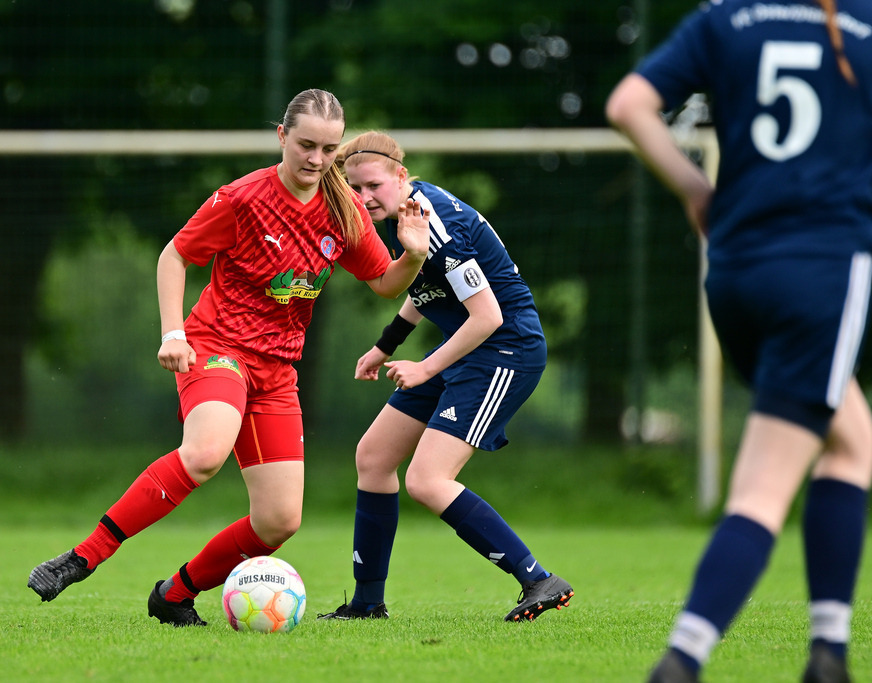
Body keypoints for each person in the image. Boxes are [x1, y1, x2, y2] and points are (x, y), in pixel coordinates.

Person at [27, 89, 430, 626]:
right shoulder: (241, 198)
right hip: (219, 347)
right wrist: (174, 332)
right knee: (205, 453)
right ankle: (83, 557)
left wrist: (415, 254)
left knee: (279, 521)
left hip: (277, 369)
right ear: (282, 137)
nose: (316, 159)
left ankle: (174, 594)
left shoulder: (344, 209)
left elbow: (383, 281)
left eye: (329, 149)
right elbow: (175, 255)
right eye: (306, 144)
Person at [606, 1, 872, 681]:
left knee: (851, 438)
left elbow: (628, 105)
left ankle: (830, 651)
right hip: (821, 269)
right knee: (762, 488)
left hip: (735, 271)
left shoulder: (726, 19)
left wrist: (697, 188)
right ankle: (684, 657)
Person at [316, 131, 573, 623]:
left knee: (428, 480)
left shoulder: (438, 225)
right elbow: (426, 287)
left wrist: (425, 366)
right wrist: (385, 346)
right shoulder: (403, 216)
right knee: (373, 457)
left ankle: (539, 579)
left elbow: (487, 317)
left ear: (400, 177)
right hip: (466, 350)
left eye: (373, 186)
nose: (364, 198)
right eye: (355, 189)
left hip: (505, 351)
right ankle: (367, 603)